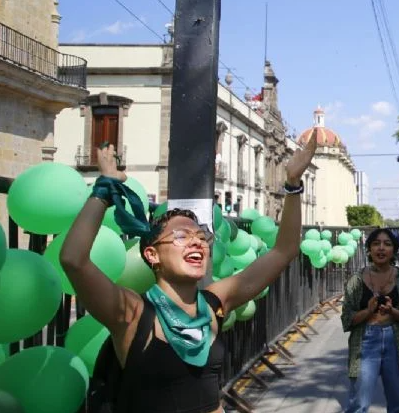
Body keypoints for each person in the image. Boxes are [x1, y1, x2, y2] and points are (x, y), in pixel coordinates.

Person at [60, 138, 318, 412]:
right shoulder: (132, 313)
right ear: (152, 255)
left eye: (201, 236)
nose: (197, 242)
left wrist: (292, 184)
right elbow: (74, 260)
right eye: (181, 236)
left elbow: (284, 250)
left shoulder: (214, 303)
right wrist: (104, 188)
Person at [341, 228, 399, 413]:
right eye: (376, 243)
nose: (381, 248)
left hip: (396, 341)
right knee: (359, 404)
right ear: (369, 249)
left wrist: (393, 312)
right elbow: (347, 319)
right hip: (365, 342)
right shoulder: (356, 280)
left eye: (387, 244)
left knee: (398, 404)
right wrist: (368, 311)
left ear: (394, 250)